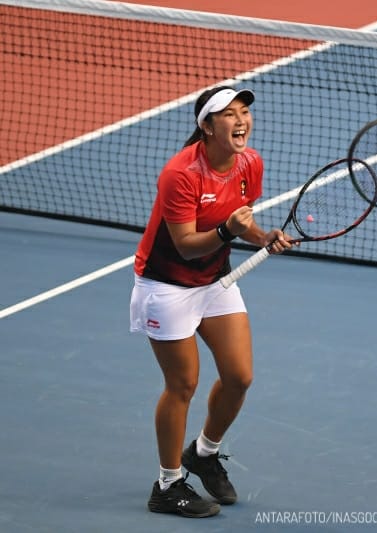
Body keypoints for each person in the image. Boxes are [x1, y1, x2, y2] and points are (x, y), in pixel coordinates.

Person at [129, 86, 292, 518]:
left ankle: (203, 453)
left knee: (239, 377)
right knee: (182, 386)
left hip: (215, 283)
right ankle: (166, 485)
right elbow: (185, 245)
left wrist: (262, 236)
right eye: (228, 114)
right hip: (166, 286)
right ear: (206, 126)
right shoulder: (181, 174)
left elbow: (243, 219)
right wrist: (228, 233)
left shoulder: (249, 162)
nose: (240, 121)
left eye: (244, 112)